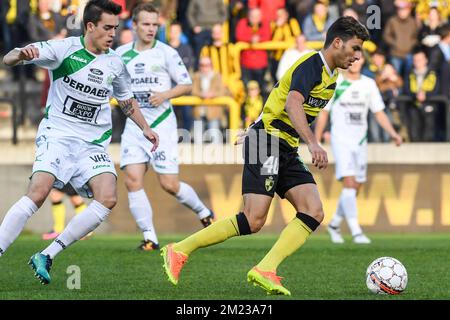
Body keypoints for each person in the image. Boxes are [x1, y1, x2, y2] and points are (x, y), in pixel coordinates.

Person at [161, 16, 370, 296]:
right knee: (253, 219)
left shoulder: (332, 77)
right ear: (337, 42)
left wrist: (263, 127)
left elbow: (277, 98)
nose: (359, 56)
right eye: (355, 48)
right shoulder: (313, 65)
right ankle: (180, 249)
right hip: (267, 141)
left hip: (283, 146)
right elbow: (292, 103)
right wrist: (312, 142)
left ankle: (265, 268)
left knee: (313, 210)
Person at [0, 0, 159, 285]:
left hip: (92, 144)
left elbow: (125, 100)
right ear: (90, 26)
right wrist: (22, 54)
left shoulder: (115, 63)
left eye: (115, 28)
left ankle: (47, 255)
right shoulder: (64, 50)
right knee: (38, 192)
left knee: (107, 197)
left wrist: (145, 128)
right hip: (58, 135)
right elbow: (8, 59)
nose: (112, 34)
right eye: (107, 27)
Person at [116, 3, 214, 251]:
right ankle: (150, 238)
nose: (150, 29)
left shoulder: (167, 52)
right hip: (135, 125)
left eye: (154, 24)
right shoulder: (121, 54)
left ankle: (204, 212)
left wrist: (165, 95)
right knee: (132, 180)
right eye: (145, 24)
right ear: (134, 25)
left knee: (168, 184)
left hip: (162, 125)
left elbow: (187, 84)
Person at [314, 55, 403, 245]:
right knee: (349, 181)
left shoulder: (369, 84)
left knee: (356, 185)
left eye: (359, 59)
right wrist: (317, 139)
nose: (355, 62)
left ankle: (335, 223)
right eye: (352, 59)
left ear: (363, 62)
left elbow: (378, 112)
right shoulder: (336, 83)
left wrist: (393, 134)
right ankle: (356, 232)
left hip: (360, 140)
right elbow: (324, 112)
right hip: (341, 139)